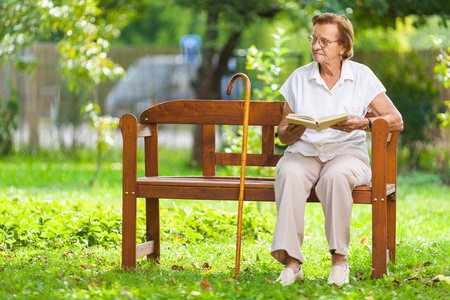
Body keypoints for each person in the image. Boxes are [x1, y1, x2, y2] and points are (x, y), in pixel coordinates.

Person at [271, 13, 403, 287]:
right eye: (314, 39)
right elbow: (283, 132)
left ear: (343, 47)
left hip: (347, 155)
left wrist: (364, 123)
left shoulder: (362, 77)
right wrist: (291, 130)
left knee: (335, 176)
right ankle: (292, 264)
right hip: (305, 154)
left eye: (324, 41)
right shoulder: (299, 78)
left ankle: (339, 261)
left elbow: (396, 120)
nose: (316, 45)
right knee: (289, 172)